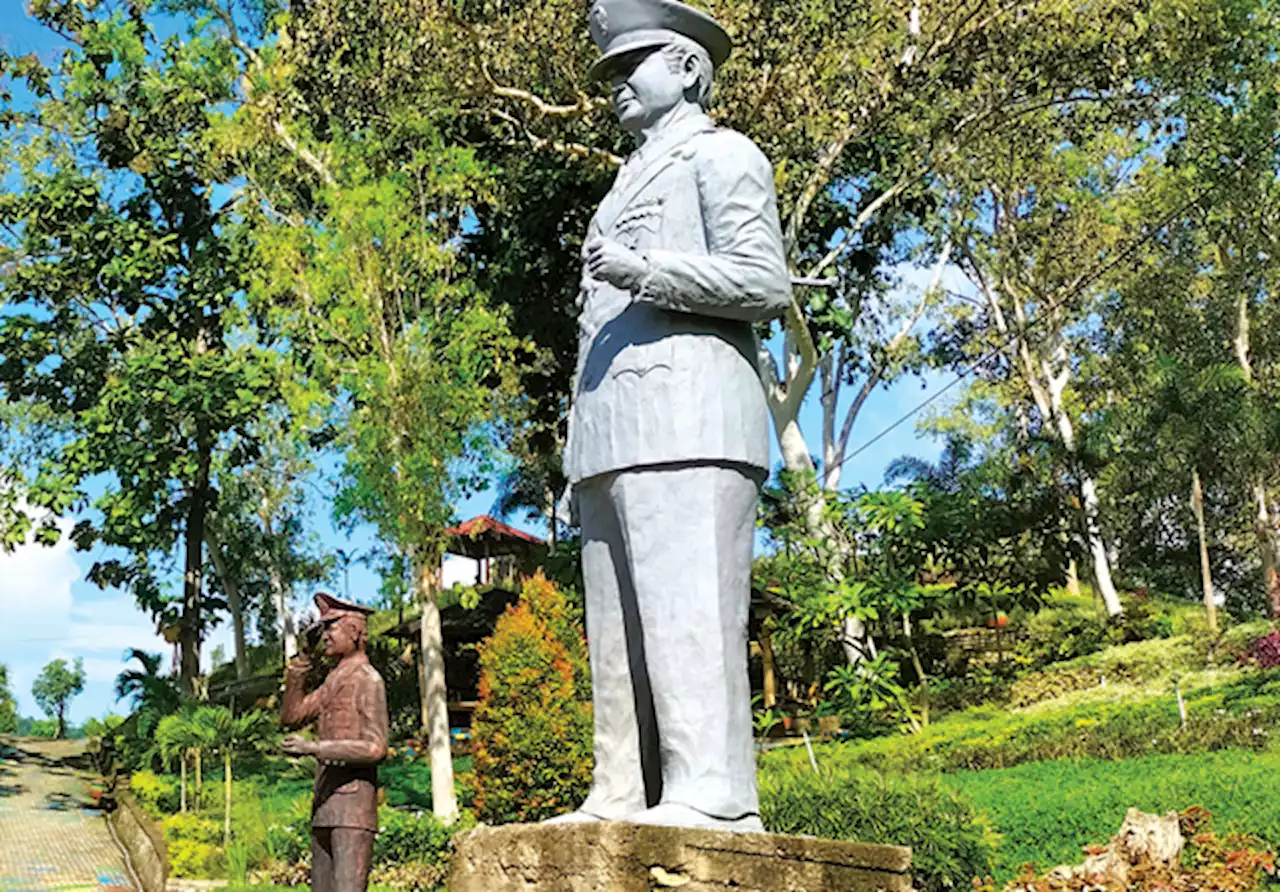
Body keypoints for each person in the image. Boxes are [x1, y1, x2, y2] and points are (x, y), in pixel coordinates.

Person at [553, 0, 791, 832]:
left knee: (690, 612)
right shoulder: (624, 184)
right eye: (611, 70)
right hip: (612, 435)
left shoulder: (723, 156)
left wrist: (645, 268)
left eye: (633, 63)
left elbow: (764, 284)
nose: (617, 83)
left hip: (690, 417)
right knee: (614, 638)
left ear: (688, 67)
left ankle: (712, 790)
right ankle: (619, 789)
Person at [281, 593, 389, 892]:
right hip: (324, 805)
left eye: (331, 628)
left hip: (353, 809)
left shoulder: (368, 680)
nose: (325, 635)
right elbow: (292, 716)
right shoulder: (333, 680)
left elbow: (375, 747)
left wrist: (314, 748)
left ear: (355, 632)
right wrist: (303, 659)